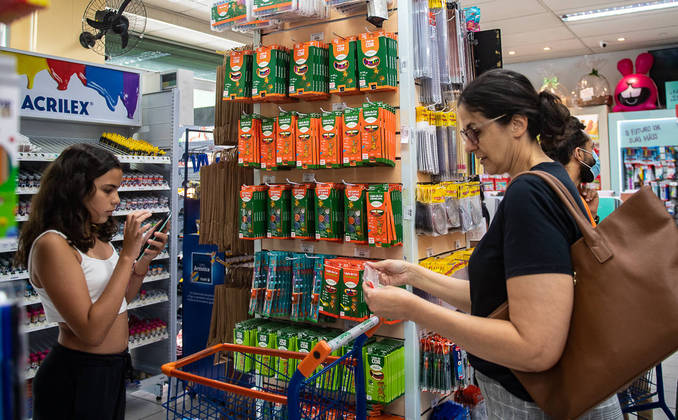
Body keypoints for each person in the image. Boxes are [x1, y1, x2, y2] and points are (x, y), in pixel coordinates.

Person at [362, 69, 622, 419]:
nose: (468, 145)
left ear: (517, 124)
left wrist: (413, 309)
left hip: (537, 402)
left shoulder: (529, 195)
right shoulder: (548, 179)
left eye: (475, 131)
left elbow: (536, 348)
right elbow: (501, 299)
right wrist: (413, 275)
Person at [16, 144, 169, 420]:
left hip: (112, 369)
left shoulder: (95, 235)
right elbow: (91, 331)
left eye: (117, 190)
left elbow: (119, 303)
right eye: (108, 190)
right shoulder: (53, 245)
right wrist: (127, 257)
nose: (117, 200)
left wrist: (142, 263)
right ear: (76, 188)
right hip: (77, 375)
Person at [540, 115, 601, 226]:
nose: (595, 156)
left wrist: (591, 214)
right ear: (579, 154)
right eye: (591, 148)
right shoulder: (556, 199)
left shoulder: (573, 196)